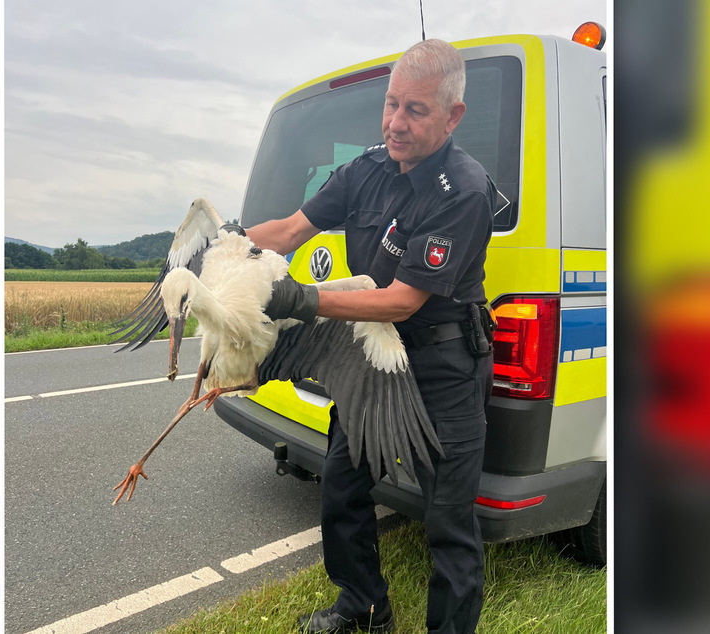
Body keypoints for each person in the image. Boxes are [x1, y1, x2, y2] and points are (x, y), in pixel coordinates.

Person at [245, 38, 496, 634]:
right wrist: (225, 247)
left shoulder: (463, 189)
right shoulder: (366, 168)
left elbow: (402, 301)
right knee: (341, 487)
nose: (395, 123)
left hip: (442, 365)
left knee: (447, 521)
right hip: (372, 360)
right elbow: (288, 230)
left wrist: (301, 300)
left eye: (415, 110)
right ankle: (362, 609)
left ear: (452, 115)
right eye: (391, 105)